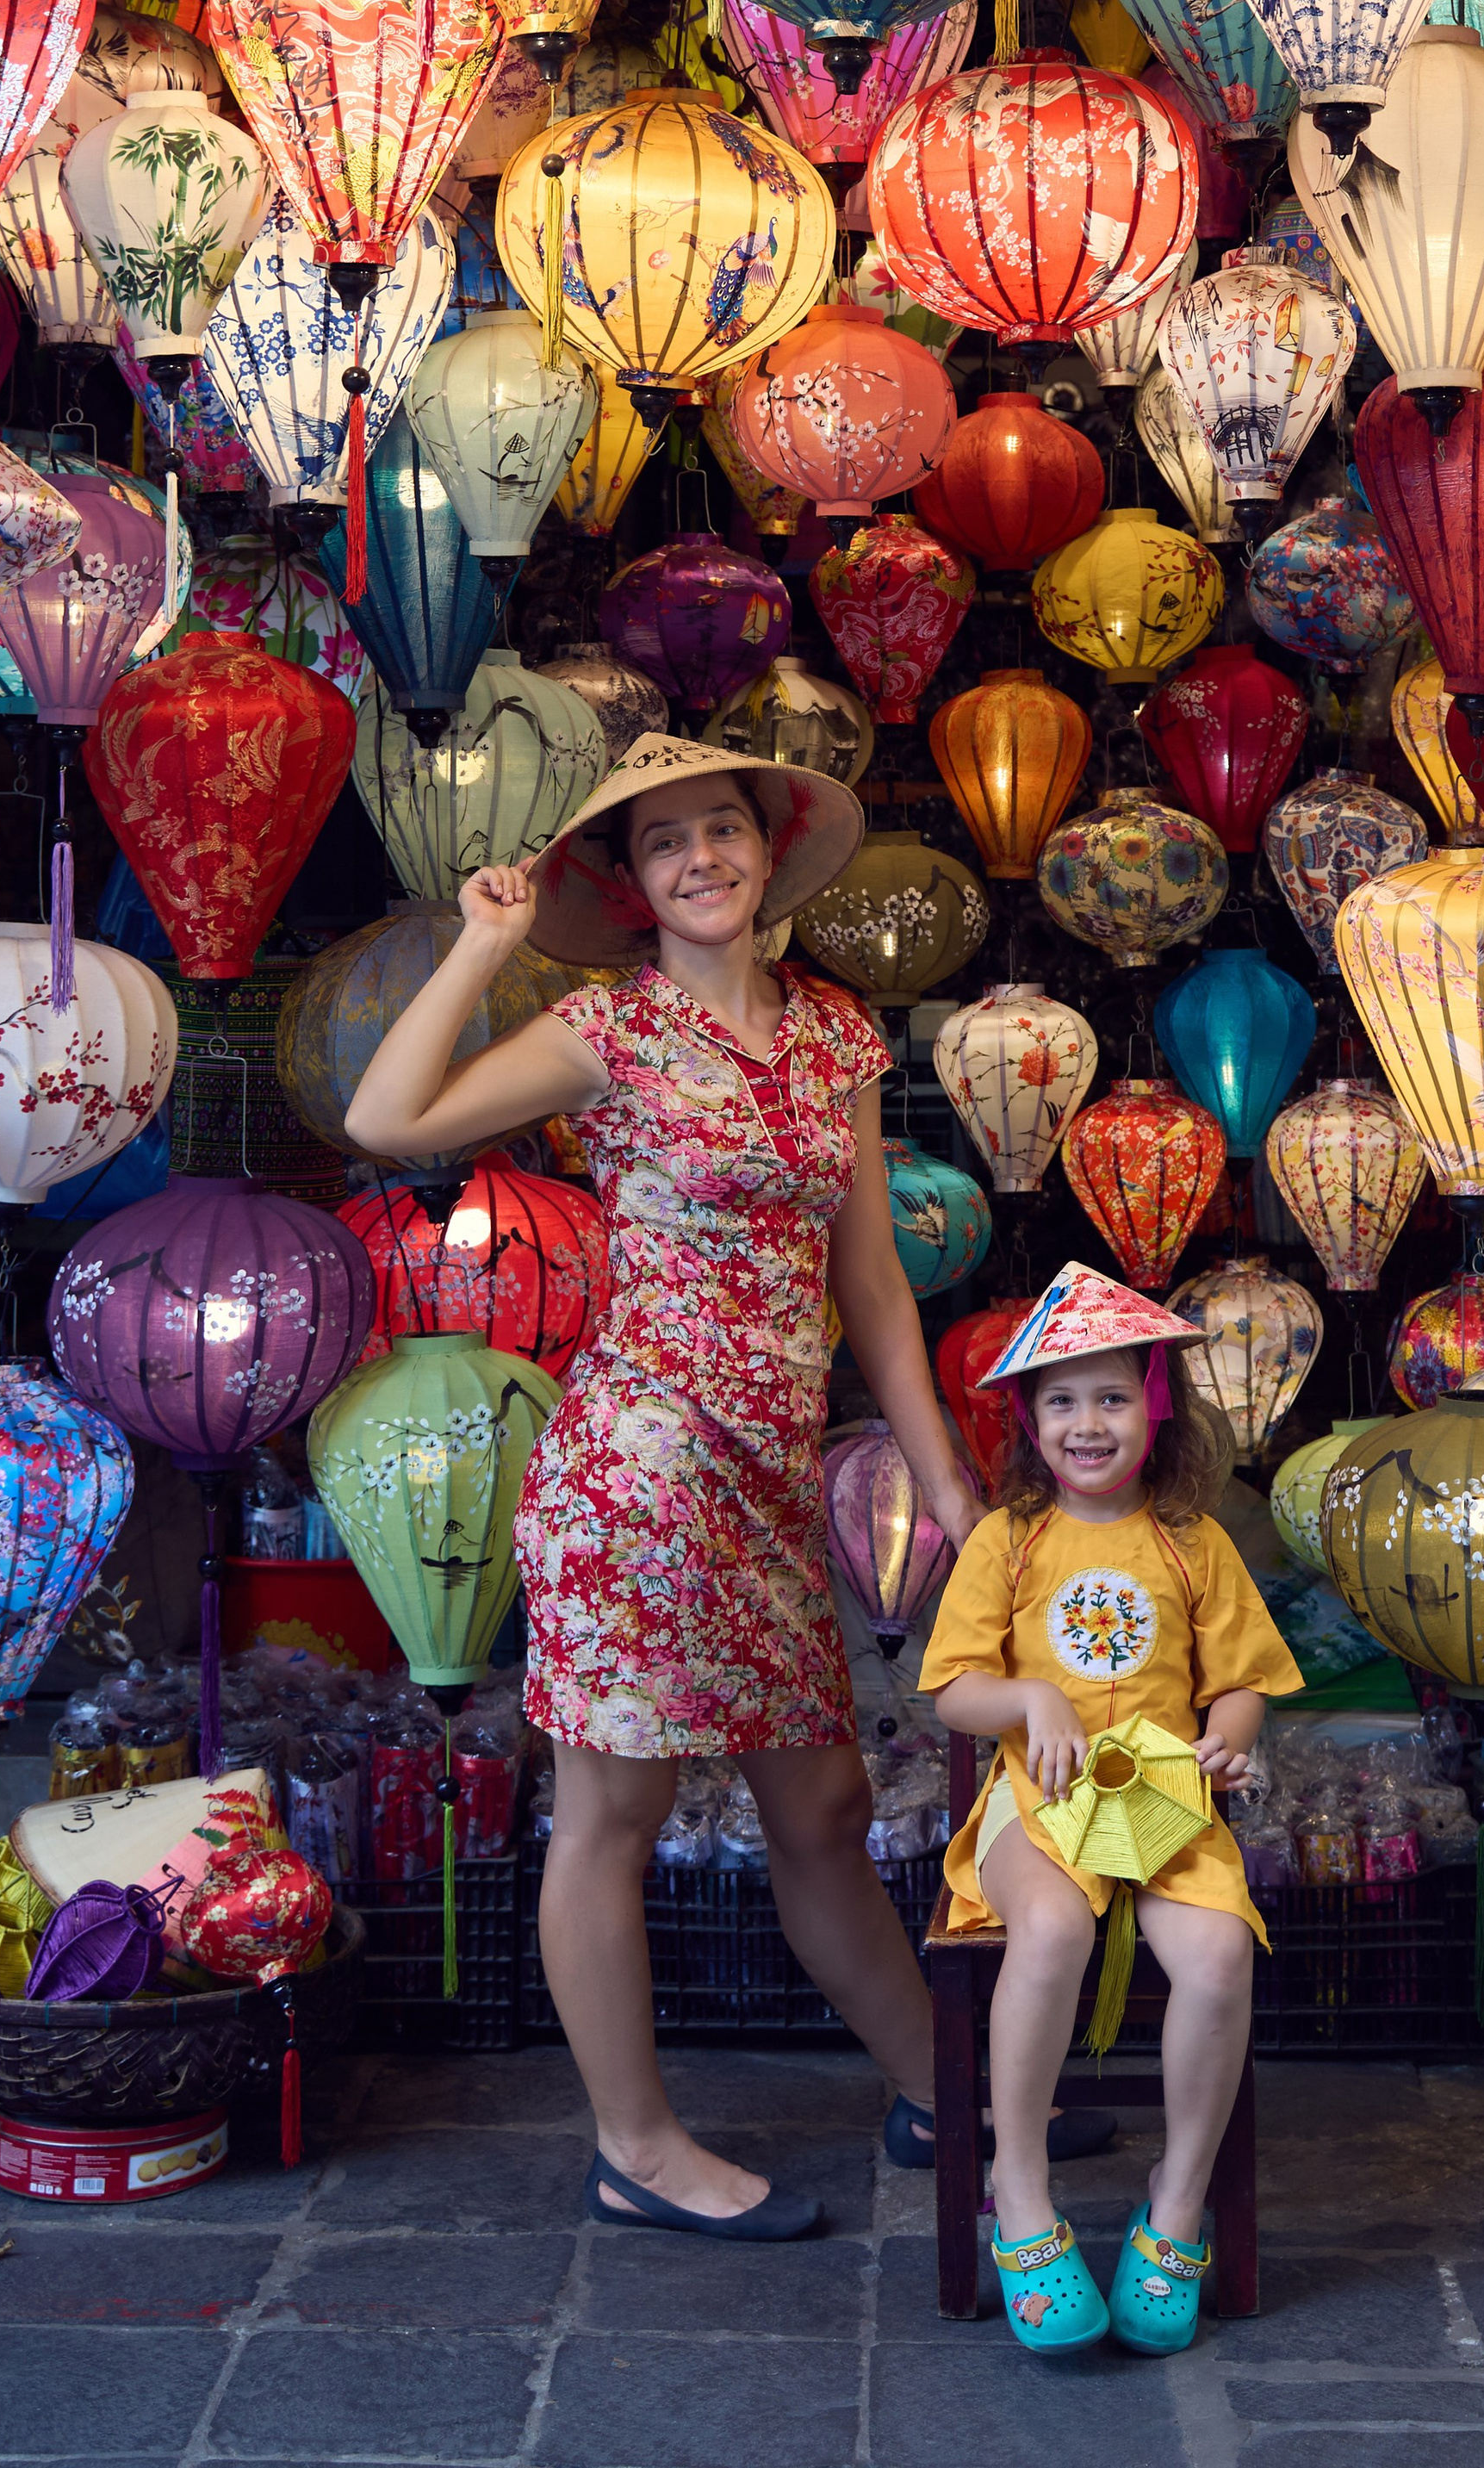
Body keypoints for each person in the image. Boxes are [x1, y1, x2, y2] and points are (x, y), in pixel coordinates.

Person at [340, 732, 1108, 2240]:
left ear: (768, 852)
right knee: (611, 1812)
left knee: (820, 1803)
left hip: (763, 1481)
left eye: (722, 830)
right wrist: (482, 945)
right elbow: (384, 1125)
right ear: (629, 885)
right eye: (664, 842)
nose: (700, 857)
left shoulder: (833, 1037)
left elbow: (874, 1284)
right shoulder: (605, 1031)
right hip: (635, 1473)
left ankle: (943, 2087)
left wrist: (944, 1482)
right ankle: (636, 2145)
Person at [922, 1264, 1302, 2357]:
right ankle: (1022, 2186)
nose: (1086, 1422)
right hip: (1038, 1810)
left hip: (1165, 1807)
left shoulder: (1195, 1540)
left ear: (1156, 1407)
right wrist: (1029, 1694)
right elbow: (953, 1688)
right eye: (1060, 1400)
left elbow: (1241, 1678)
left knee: (1221, 1955)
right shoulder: (1010, 1540)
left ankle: (1175, 2199)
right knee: (1049, 1927)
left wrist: (1231, 1734)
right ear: (1027, 1419)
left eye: (1111, 1397)